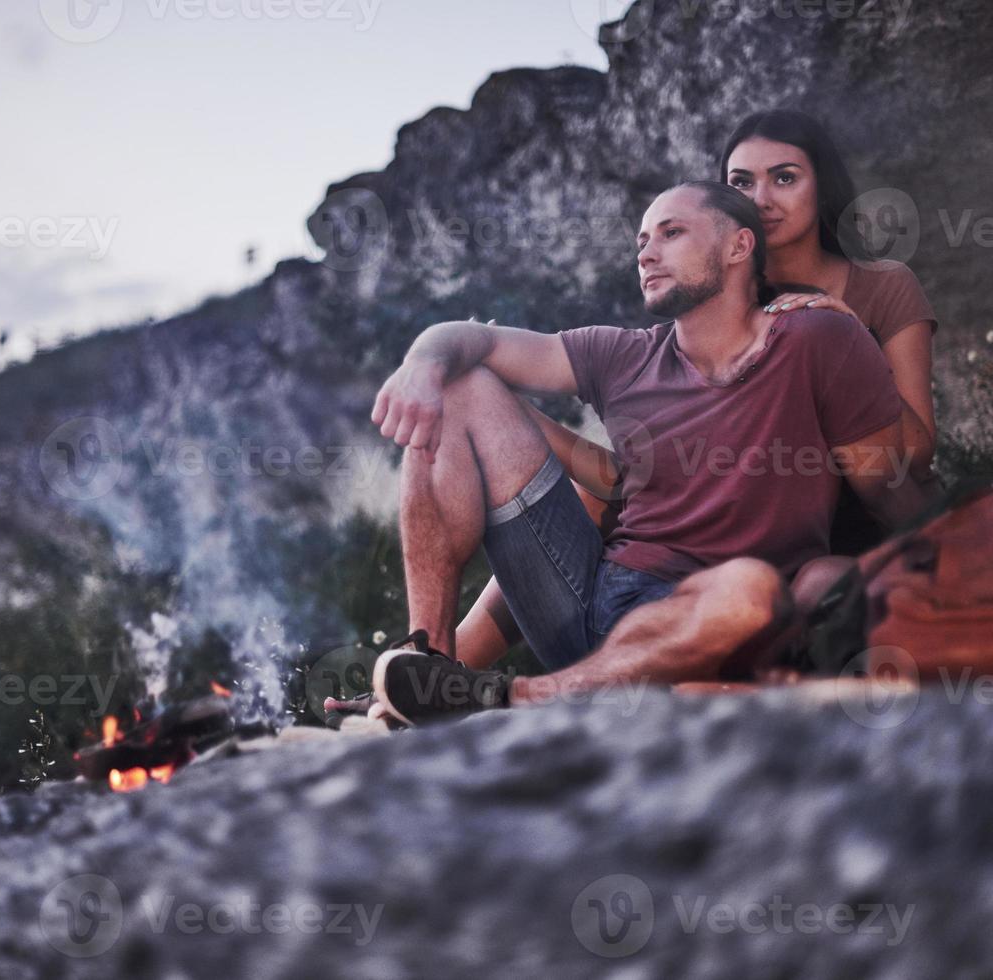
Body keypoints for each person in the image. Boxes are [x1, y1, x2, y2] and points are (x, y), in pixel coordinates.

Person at [365, 180, 933, 725]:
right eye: (641, 242)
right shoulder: (622, 355)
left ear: (739, 244)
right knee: (456, 384)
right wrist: (422, 365)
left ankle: (520, 698)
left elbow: (884, 486)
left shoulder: (818, 338)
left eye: (671, 233)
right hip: (595, 607)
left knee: (748, 590)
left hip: (723, 619)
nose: (647, 253)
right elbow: (478, 340)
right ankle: (426, 675)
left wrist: (946, 567)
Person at [453, 109, 940, 670]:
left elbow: (917, 455)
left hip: (847, 515)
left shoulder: (878, 286)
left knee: (813, 583)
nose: (761, 197)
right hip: (733, 519)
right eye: (741, 183)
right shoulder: (714, 291)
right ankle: (446, 663)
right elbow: (662, 467)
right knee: (598, 498)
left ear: (821, 184)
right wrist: (505, 410)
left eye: (784, 178)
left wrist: (848, 333)